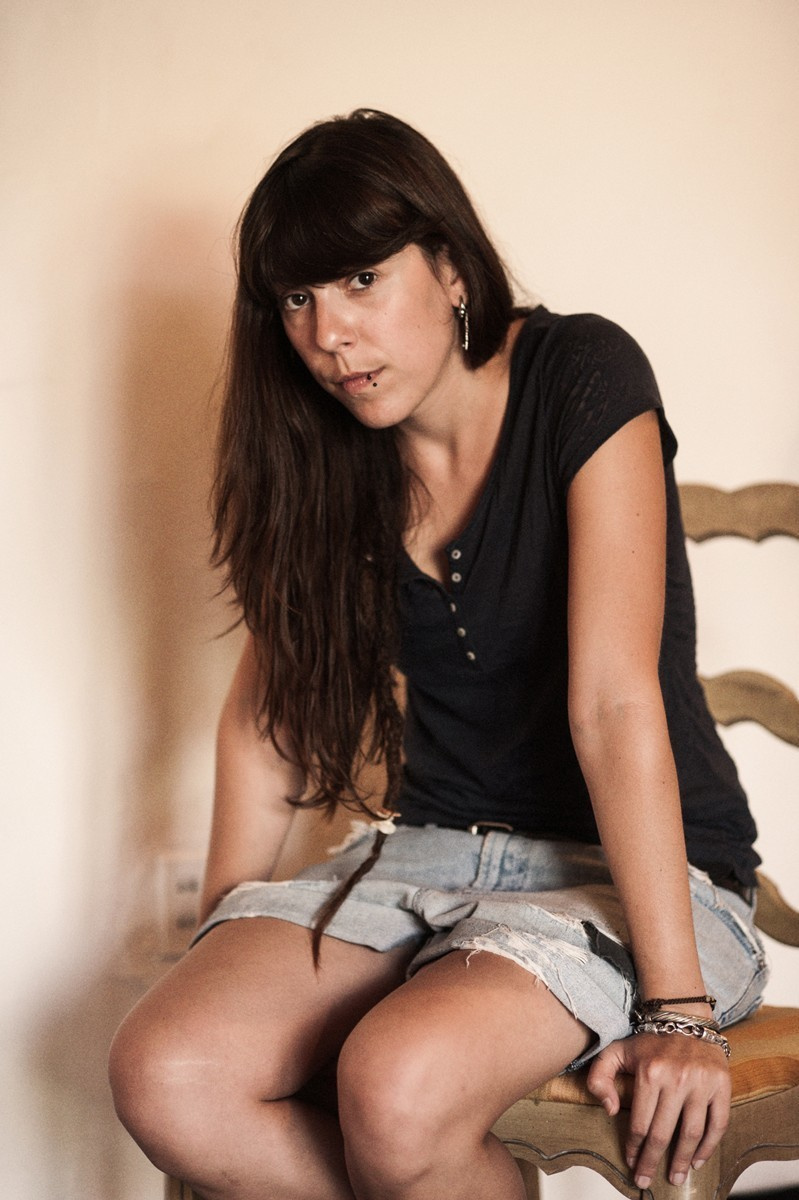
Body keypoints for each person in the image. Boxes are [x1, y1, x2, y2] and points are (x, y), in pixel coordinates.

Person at [109, 109, 767, 1200]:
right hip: (426, 861)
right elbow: (269, 722)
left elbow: (610, 703)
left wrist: (676, 1005)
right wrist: (230, 930)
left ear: (451, 269)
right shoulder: (326, 458)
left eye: (360, 280)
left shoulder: (582, 377)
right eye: (297, 299)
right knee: (168, 1071)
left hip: (636, 874)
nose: (328, 335)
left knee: (396, 1085)